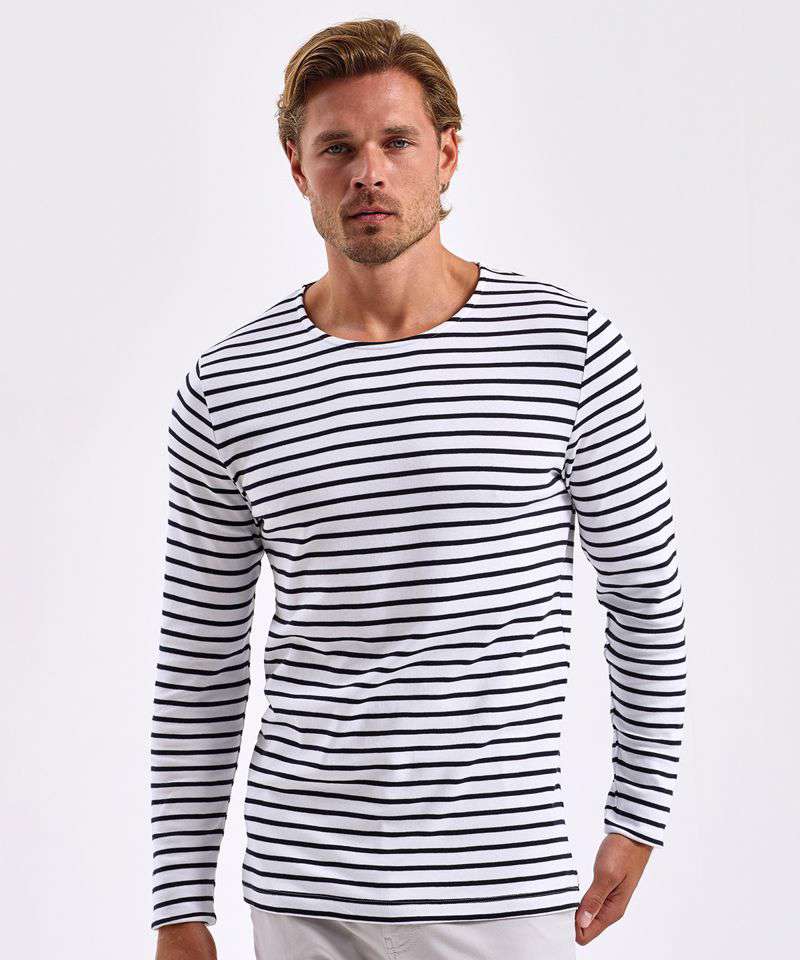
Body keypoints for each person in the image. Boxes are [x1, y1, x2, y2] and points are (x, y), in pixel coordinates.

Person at [150, 17, 687, 960]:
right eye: (337, 148)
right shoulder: (228, 386)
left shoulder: (567, 350)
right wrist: (180, 903)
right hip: (300, 896)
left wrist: (639, 812)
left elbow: (644, 596)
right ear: (296, 166)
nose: (369, 173)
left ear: (446, 154)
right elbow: (201, 660)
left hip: (498, 893)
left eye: (396, 142)